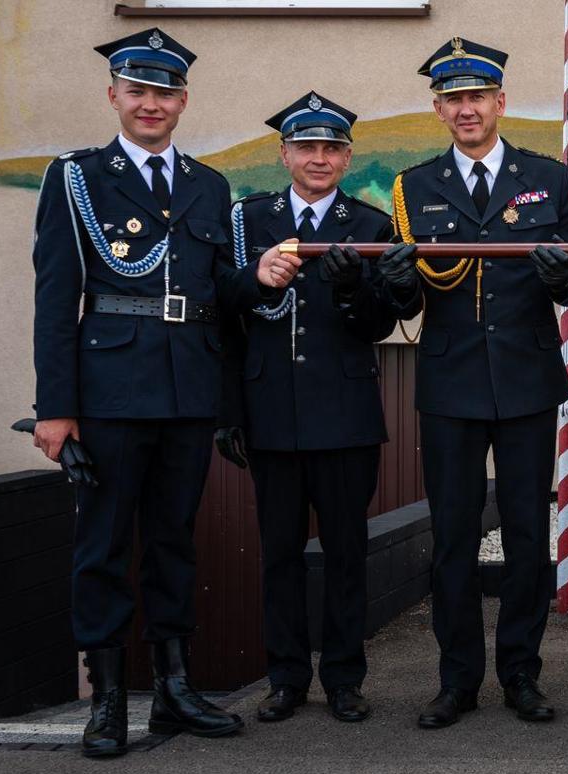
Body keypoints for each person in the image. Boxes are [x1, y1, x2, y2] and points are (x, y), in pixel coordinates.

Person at [32, 27, 272, 757]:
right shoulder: (77, 176)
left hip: (187, 389)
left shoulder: (209, 184)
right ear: (115, 96)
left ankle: (173, 689)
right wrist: (55, 407)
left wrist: (257, 281)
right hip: (109, 389)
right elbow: (55, 297)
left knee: (174, 543)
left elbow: (216, 296)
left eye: (165, 92)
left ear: (183, 101)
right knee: (102, 544)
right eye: (138, 90)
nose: (151, 104)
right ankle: (106, 701)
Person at [372, 36, 568, 729]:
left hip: (527, 381)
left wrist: (566, 276)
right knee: (454, 540)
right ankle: (458, 679)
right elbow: (404, 304)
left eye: (478, 97)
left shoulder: (547, 179)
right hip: (450, 386)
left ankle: (521, 675)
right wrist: (396, 285)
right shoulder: (413, 187)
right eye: (454, 99)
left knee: (528, 535)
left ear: (500, 102)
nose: (467, 109)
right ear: (439, 109)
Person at [220, 91, 417, 725]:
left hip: (344, 413)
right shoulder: (247, 220)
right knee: (278, 552)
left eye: (331, 148)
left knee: (345, 552)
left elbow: (384, 319)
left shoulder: (369, 225)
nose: (319, 158)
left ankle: (343, 678)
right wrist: (230, 411)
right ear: (284, 155)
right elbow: (221, 310)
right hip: (271, 411)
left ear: (348, 157)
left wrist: (355, 287)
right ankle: (285, 678)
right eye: (307, 147)